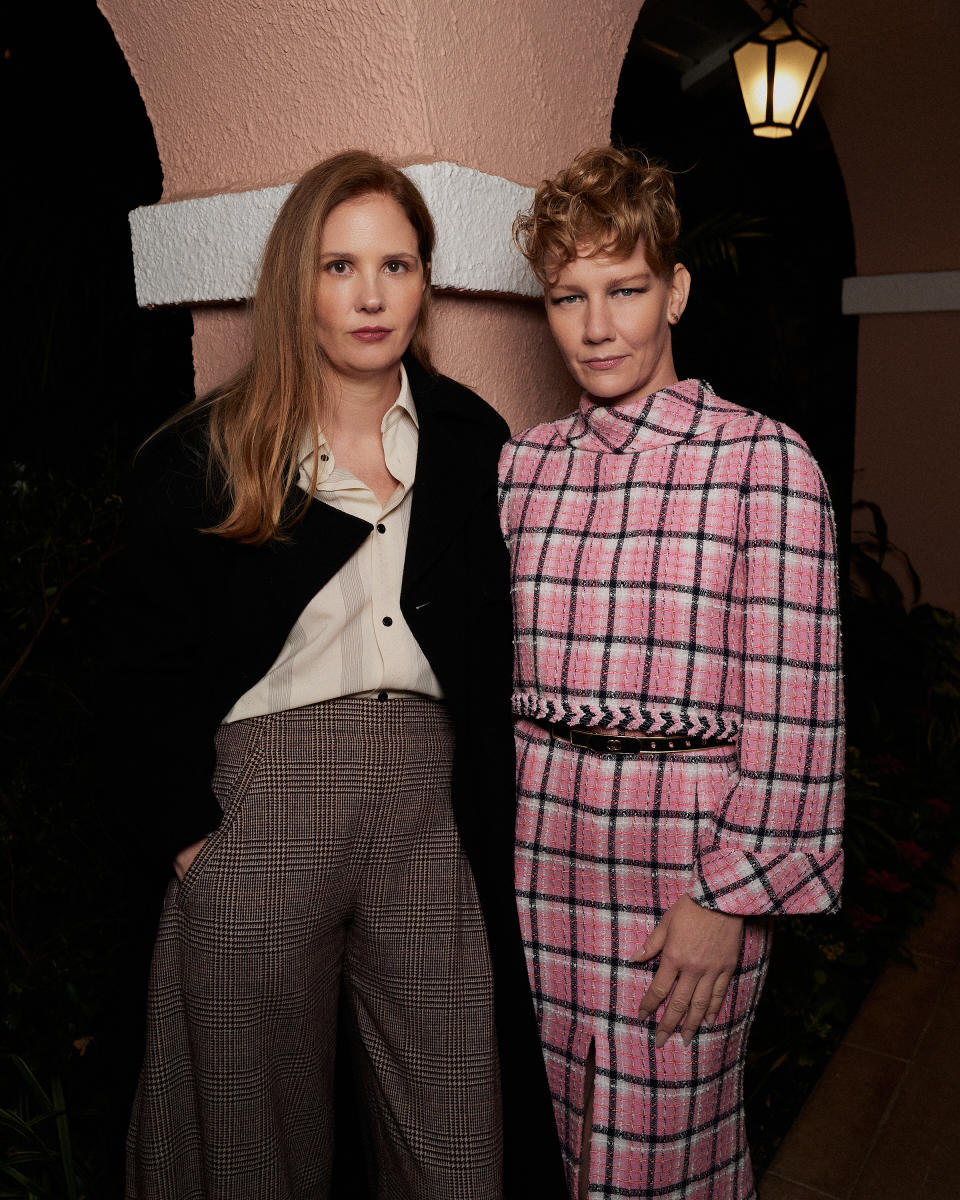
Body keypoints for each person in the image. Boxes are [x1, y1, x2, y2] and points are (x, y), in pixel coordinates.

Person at [119, 150, 564, 1199]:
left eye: (397, 265)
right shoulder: (205, 453)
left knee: (454, 1120)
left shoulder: (469, 441)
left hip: (425, 800)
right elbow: (141, 668)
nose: (371, 295)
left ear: (424, 281)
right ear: (296, 284)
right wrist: (191, 837)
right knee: (244, 1132)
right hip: (261, 802)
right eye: (338, 266)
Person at [498, 145, 844, 1199]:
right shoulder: (522, 467)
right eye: (568, 296)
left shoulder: (764, 462)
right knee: (548, 1145)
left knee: (662, 1166)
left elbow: (798, 710)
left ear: (675, 289)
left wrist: (731, 898)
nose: (597, 326)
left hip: (683, 880)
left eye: (626, 289)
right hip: (539, 862)